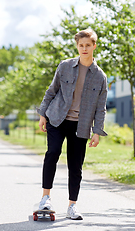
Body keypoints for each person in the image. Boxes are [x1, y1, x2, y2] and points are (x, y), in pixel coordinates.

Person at [37, 29, 108, 220]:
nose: (84, 49)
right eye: (80, 45)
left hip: (81, 125)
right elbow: (51, 91)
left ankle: (72, 206)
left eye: (87, 45)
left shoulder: (100, 76)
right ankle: (45, 198)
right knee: (52, 153)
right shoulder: (65, 66)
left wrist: (97, 131)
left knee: (75, 165)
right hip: (57, 118)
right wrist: (43, 114)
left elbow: (101, 107)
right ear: (77, 46)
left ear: (94, 46)